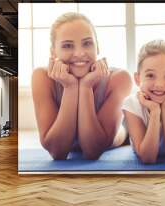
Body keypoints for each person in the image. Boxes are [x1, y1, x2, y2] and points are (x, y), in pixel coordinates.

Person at [31, 12, 132, 160]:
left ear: (97, 47)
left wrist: (85, 87)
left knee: (123, 131)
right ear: (53, 52)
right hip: (70, 138)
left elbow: (92, 151)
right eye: (67, 46)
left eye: (87, 43)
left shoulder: (119, 78)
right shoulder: (41, 77)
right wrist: (70, 87)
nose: (79, 53)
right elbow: (57, 152)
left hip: (118, 134)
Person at [122, 39, 165, 164]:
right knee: (118, 136)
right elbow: (147, 158)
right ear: (138, 79)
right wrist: (155, 112)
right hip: (135, 139)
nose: (159, 84)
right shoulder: (131, 103)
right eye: (150, 75)